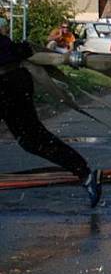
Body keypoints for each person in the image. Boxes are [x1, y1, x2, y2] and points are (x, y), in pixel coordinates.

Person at [0, 18, 101, 206]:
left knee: (32, 139)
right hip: (13, 78)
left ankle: (84, 173)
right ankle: (84, 173)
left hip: (8, 82)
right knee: (32, 140)